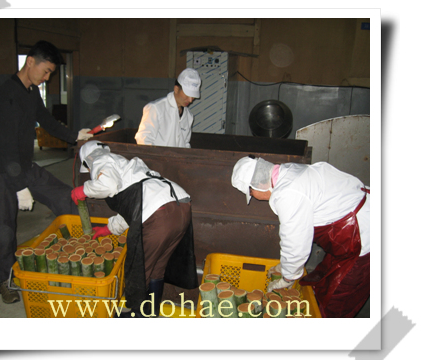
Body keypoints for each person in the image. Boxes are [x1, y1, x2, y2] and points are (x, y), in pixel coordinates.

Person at [0, 40, 93, 304]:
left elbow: (47, 120)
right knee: (4, 228)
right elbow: (7, 146)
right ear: (30, 62)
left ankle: (81, 247)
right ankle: (5, 280)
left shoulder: (30, 91)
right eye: (46, 71)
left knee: (65, 197)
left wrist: (74, 135)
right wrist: (20, 187)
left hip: (21, 164)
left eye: (51, 73)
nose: (47, 78)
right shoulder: (8, 95)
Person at [231, 156, 370, 318]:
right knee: (324, 281)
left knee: (336, 304)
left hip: (363, 239)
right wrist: (285, 266)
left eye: (251, 193)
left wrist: (287, 278)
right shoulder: (289, 171)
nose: (254, 197)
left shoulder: (288, 195)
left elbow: (295, 243)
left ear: (257, 185)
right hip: (354, 229)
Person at [71, 141, 198, 317]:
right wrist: (108, 229)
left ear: (87, 160)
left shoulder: (99, 159)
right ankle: (151, 313)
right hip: (180, 207)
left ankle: (137, 316)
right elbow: (135, 208)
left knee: (139, 269)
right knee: (156, 268)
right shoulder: (125, 166)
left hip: (159, 213)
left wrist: (83, 190)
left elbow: (108, 186)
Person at [134, 68, 201, 148]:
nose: (190, 100)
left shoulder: (188, 116)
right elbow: (144, 139)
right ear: (176, 89)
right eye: (187, 95)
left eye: (193, 96)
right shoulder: (156, 108)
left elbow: (185, 143)